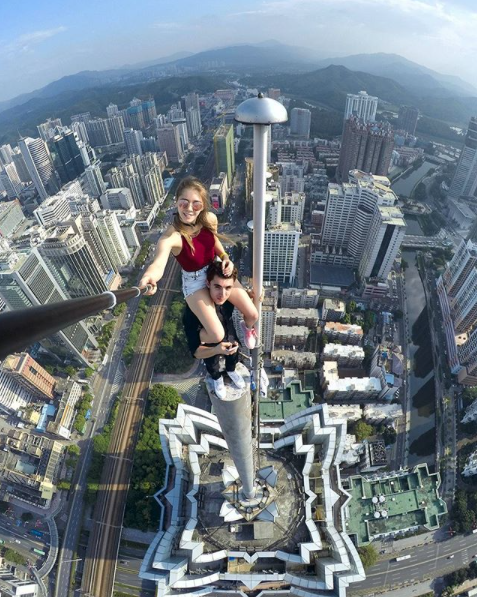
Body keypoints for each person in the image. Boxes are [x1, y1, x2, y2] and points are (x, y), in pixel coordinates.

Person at [139, 176, 258, 349]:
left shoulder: (208, 219)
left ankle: (246, 328)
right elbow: (158, 263)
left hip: (215, 271)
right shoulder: (172, 237)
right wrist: (149, 277)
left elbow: (213, 241)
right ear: (176, 202)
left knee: (253, 314)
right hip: (195, 283)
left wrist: (225, 257)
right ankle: (193, 334)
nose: (189, 209)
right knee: (217, 335)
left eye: (196, 204)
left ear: (202, 205)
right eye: (183, 202)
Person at [183, 261, 245, 399]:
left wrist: (256, 295)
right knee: (212, 362)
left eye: (228, 288)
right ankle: (217, 378)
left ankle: (231, 370)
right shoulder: (195, 310)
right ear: (208, 284)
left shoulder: (228, 297)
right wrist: (216, 349)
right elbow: (196, 352)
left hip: (228, 331)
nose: (222, 294)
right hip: (209, 342)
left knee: (234, 349)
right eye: (217, 287)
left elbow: (247, 302)